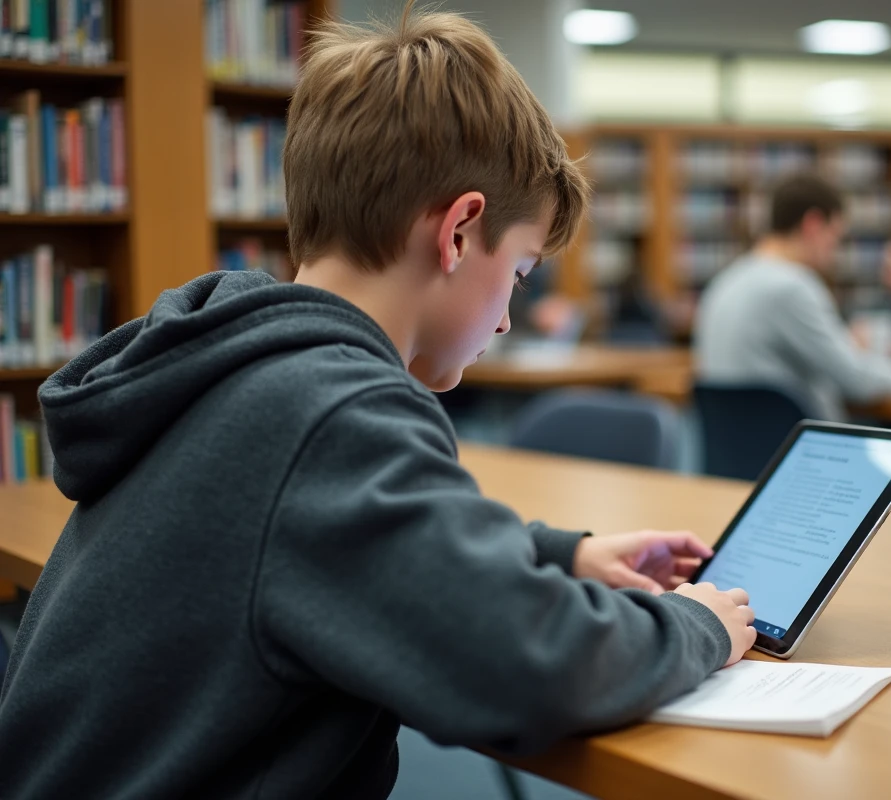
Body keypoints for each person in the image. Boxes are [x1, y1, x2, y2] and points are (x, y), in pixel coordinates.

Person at [0, 7, 757, 797]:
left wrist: (557, 556)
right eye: (521, 273)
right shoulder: (329, 408)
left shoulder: (236, 362)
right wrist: (695, 626)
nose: (505, 317)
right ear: (460, 231)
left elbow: (311, 545)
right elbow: (530, 667)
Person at [694, 174, 891, 421]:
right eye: (835, 237)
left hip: (737, 450)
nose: (834, 252)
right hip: (797, 450)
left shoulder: (726, 280)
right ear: (813, 224)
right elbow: (856, 380)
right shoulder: (792, 286)